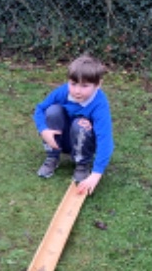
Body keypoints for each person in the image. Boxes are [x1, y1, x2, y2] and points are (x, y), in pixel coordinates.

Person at [32, 54, 114, 195]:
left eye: (84, 86)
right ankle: (52, 156)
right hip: (62, 139)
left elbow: (105, 139)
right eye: (73, 83)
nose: (77, 91)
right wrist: (43, 130)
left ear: (98, 85)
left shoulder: (99, 104)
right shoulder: (63, 92)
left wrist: (96, 174)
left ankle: (82, 165)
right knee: (52, 110)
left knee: (80, 124)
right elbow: (40, 109)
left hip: (82, 141)